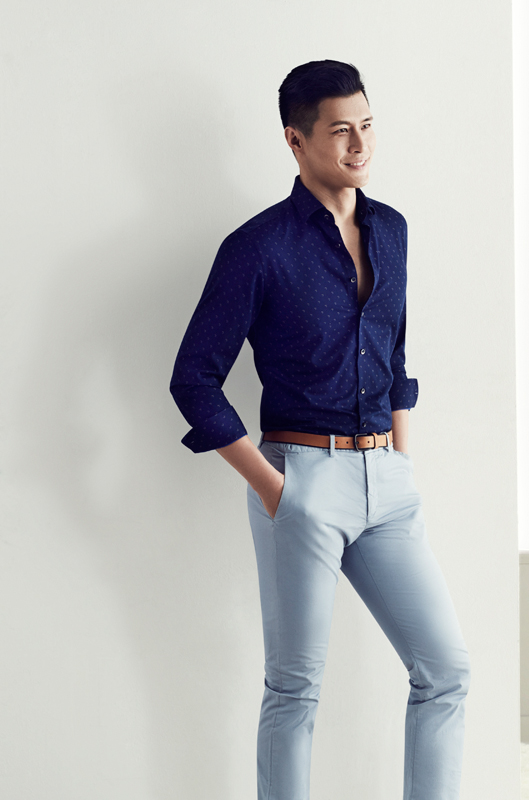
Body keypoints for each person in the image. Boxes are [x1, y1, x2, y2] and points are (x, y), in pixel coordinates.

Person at [169, 59, 471, 800]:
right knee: (295, 688)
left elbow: (395, 356)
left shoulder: (391, 229)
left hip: (386, 483)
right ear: (296, 140)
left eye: (367, 126)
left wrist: (399, 461)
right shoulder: (258, 247)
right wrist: (277, 490)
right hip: (302, 481)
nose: (360, 145)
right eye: (341, 131)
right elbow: (193, 378)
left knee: (445, 671)